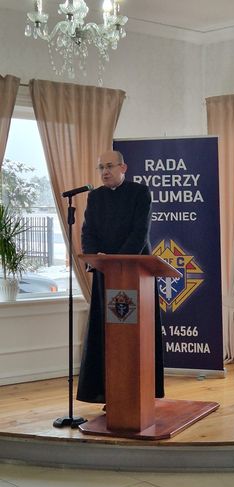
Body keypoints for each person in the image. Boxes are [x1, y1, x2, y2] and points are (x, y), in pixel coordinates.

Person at [76, 150, 164, 405]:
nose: (105, 172)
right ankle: (107, 392)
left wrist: (118, 260)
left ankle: (140, 393)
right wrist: (96, 256)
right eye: (101, 167)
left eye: (110, 166)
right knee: (106, 333)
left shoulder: (140, 192)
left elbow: (140, 232)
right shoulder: (95, 197)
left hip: (135, 273)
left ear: (123, 168)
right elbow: (88, 232)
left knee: (136, 333)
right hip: (105, 273)